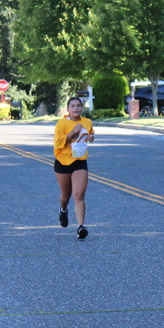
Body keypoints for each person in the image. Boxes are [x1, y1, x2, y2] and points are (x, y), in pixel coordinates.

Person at [54, 96, 94, 240]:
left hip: (79, 161)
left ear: (82, 108)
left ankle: (81, 227)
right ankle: (63, 210)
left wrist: (91, 137)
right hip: (63, 161)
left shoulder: (87, 122)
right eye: (73, 106)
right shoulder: (62, 123)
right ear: (68, 109)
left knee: (79, 194)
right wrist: (72, 132)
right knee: (65, 196)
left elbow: (90, 134)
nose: (76, 108)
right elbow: (58, 143)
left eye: (78, 105)